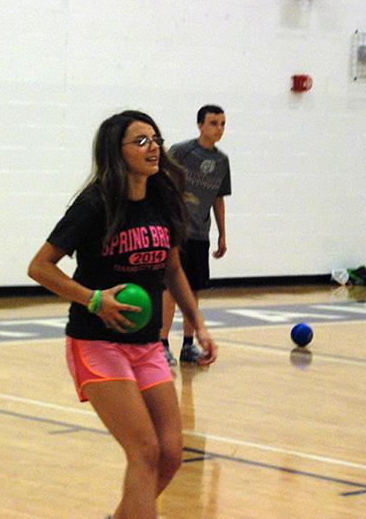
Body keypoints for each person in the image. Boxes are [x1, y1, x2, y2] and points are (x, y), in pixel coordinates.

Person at [28, 110, 218, 519]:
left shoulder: (163, 199)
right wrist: (94, 300)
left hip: (147, 345)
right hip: (96, 343)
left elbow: (172, 269)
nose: (154, 149)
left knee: (170, 454)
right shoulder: (95, 204)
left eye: (156, 140)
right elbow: (40, 266)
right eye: (142, 141)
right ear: (117, 152)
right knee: (144, 450)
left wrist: (197, 323)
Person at [160, 105, 231, 365]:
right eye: (213, 123)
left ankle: (188, 345)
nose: (219, 129)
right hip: (177, 231)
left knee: (195, 288)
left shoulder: (222, 161)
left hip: (201, 232)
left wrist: (222, 233)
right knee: (170, 287)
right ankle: (162, 343)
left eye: (223, 123)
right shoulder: (182, 151)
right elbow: (161, 183)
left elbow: (218, 199)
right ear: (200, 125)